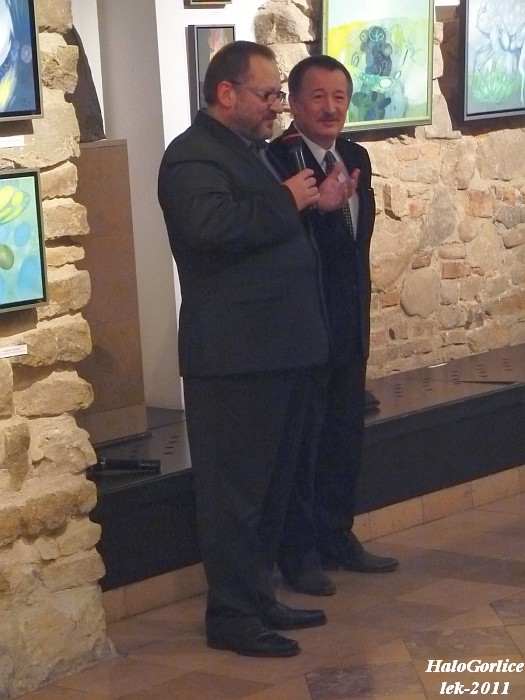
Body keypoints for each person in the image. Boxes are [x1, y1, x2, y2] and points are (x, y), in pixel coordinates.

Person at [158, 42, 353, 658]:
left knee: (272, 491)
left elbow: (270, 231)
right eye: (268, 94)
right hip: (236, 360)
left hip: (284, 352)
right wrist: (287, 199)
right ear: (227, 93)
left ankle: (259, 595)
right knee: (236, 498)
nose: (277, 106)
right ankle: (232, 615)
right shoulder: (191, 155)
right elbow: (208, 230)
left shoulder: (254, 153)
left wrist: (317, 208)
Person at [270, 55, 399, 597]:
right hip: (303, 325)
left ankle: (337, 535)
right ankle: (298, 554)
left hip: (348, 321)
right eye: (318, 96)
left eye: (339, 97)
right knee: (305, 442)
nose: (330, 107)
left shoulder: (355, 155)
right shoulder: (277, 161)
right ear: (295, 103)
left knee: (345, 434)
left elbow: (353, 246)